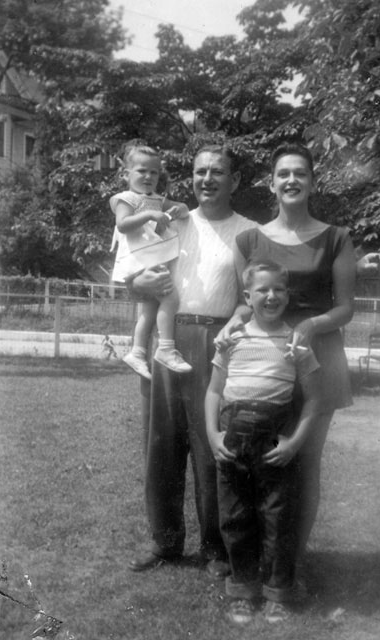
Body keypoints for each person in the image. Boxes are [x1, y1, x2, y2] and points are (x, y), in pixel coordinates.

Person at [217, 142, 357, 595]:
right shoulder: (250, 240)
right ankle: (255, 564)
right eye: (283, 174)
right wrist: (235, 323)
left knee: (303, 463)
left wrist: (312, 324)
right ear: (272, 183)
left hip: (318, 360)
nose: (291, 180)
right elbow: (245, 302)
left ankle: (292, 563)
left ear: (313, 182)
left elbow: (346, 309)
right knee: (255, 467)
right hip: (262, 361)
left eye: (300, 173)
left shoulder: (336, 237)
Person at [128, 144, 257, 576]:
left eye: (217, 172)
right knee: (161, 444)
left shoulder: (247, 232)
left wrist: (233, 325)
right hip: (169, 335)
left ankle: (215, 547)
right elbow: (137, 271)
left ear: (234, 180)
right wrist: (136, 283)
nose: (207, 179)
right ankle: (164, 542)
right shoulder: (174, 221)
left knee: (210, 446)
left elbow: (251, 299)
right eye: (200, 171)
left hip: (217, 342)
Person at [205, 262, 322, 625]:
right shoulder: (231, 339)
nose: (271, 296)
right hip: (233, 435)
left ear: (287, 296)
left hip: (275, 438)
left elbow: (315, 400)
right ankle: (242, 589)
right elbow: (212, 391)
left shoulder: (296, 342)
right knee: (236, 515)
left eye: (279, 290)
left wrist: (294, 443)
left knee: (277, 517)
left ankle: (276, 593)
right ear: (247, 297)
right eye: (262, 290)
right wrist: (212, 434)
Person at [110, 142, 192, 379]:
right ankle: (166, 348)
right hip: (138, 262)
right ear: (126, 174)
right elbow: (122, 225)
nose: (148, 176)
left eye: (154, 172)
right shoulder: (126, 199)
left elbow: (182, 209)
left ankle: (136, 352)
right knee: (170, 298)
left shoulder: (157, 199)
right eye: (141, 171)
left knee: (148, 310)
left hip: (151, 260)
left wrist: (180, 209)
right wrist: (147, 214)